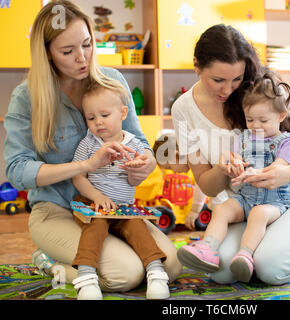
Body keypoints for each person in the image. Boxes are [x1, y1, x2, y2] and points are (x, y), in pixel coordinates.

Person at [3, 0, 181, 293]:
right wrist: (85, 166)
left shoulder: (112, 81)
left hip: (113, 208)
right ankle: (52, 264)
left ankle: (74, 263)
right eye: (68, 51)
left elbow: (140, 141)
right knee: (126, 275)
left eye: (87, 44)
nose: (82, 58)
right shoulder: (27, 97)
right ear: (47, 53)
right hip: (57, 209)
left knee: (169, 266)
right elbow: (17, 170)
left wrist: (145, 163)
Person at [171, 24, 290, 285]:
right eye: (218, 80)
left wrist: (288, 172)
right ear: (197, 65)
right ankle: (271, 244)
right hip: (246, 204)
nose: (228, 90)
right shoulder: (183, 110)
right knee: (221, 271)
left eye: (236, 79)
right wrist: (221, 169)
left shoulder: (262, 89)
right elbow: (205, 182)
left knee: (270, 269)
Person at [177, 71, 290, 282]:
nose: (255, 125)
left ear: (281, 116)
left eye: (263, 120)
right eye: (250, 119)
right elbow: (236, 158)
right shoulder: (242, 137)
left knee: (258, 214)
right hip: (245, 198)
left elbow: (280, 166)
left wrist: (258, 172)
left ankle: (246, 254)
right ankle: (208, 248)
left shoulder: (286, 141)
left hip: (274, 202)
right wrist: (232, 163)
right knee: (222, 209)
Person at [71, 83, 170, 300]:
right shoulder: (88, 143)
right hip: (94, 204)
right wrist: (97, 196)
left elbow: (137, 181)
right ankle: (86, 277)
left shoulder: (134, 145)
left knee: (139, 229)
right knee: (94, 228)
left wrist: (136, 172)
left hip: (124, 208)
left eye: (104, 115)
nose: (98, 122)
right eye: (90, 118)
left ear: (123, 113)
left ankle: (156, 272)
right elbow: (78, 176)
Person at [153, 130, 207, 230]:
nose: (173, 172)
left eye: (169, 167)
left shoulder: (194, 159)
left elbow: (202, 184)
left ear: (176, 155)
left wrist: (195, 210)